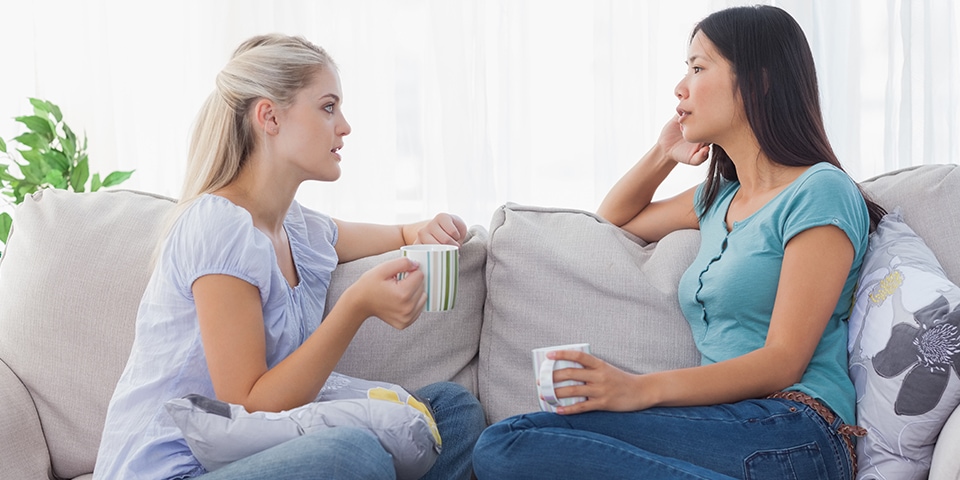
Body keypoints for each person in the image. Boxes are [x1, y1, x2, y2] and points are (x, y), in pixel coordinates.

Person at [472, 5, 884, 480]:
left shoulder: (819, 190)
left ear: (759, 81)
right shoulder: (717, 199)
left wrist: (637, 389)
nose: (680, 86)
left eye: (698, 67)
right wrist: (663, 153)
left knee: (509, 446)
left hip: (797, 429)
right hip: (727, 423)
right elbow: (614, 220)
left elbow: (782, 361)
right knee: (508, 441)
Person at [93, 34, 485, 480]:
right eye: (328, 106)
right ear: (270, 117)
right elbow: (249, 403)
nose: (345, 126)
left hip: (256, 454)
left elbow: (397, 233)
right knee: (352, 454)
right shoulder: (217, 227)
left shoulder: (298, 228)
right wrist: (356, 306)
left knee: (450, 409)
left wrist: (426, 230)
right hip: (179, 470)